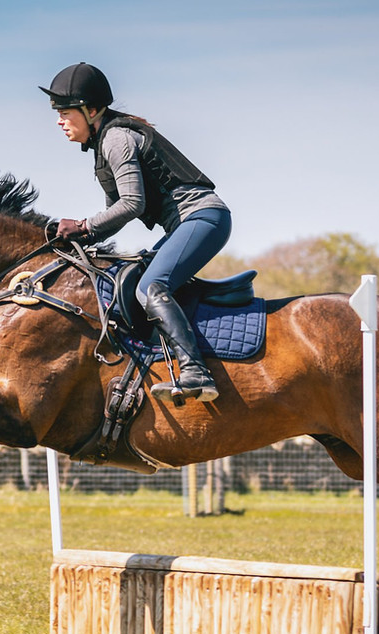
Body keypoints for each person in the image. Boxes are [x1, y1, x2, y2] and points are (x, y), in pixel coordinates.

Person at [40, 62, 231, 403]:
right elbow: (116, 213)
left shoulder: (116, 138)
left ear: (92, 110)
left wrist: (83, 225)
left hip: (202, 218)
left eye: (66, 113)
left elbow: (132, 204)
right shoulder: (103, 147)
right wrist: (79, 238)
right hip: (188, 223)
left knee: (150, 287)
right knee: (130, 278)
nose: (59, 121)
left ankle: (196, 373)